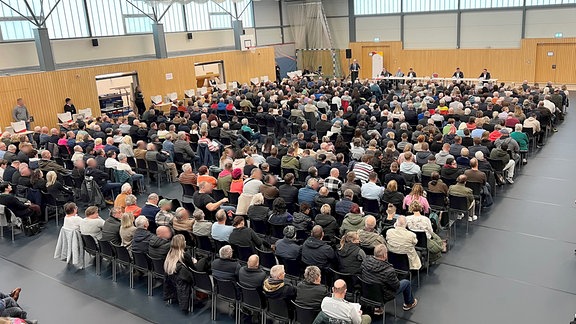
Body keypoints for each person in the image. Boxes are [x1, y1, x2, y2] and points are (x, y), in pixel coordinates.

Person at [361, 244, 418, 312]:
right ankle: (409, 303)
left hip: (366, 292)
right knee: (406, 282)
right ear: (385, 255)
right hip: (382, 295)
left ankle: (377, 308)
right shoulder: (388, 270)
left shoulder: (365, 261)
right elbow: (396, 286)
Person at [163, 234, 197, 313]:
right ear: (182, 243)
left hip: (173, 278)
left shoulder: (169, 254)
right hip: (185, 279)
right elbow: (193, 269)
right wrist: (194, 262)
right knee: (203, 262)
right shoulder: (185, 255)